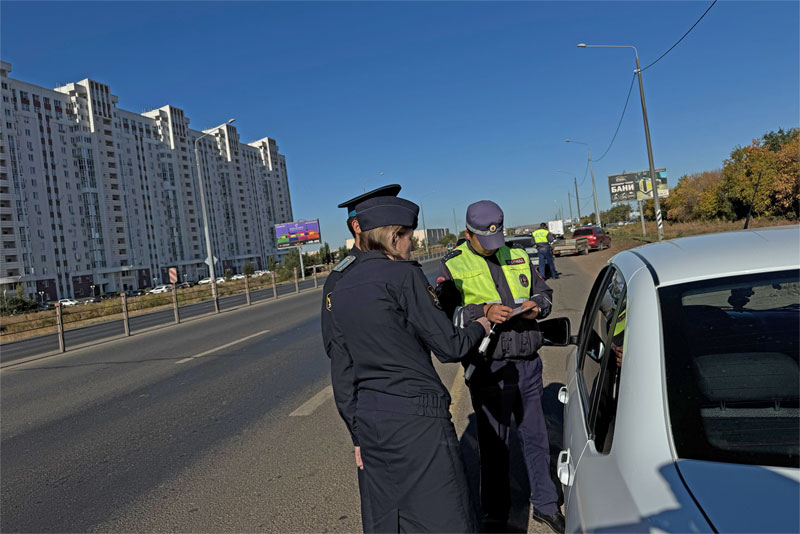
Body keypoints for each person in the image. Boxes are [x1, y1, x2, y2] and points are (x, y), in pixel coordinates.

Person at [329, 195, 491, 533]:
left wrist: (357, 434)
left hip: (372, 422)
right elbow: (449, 346)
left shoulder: (339, 289)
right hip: (419, 420)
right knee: (448, 517)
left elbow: (342, 369)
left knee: (392, 521)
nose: (413, 243)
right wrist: (483, 323)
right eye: (409, 235)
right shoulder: (404, 276)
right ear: (392, 236)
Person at [436, 201, 565, 534]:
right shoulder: (452, 266)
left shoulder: (516, 254)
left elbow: (544, 292)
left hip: (528, 365)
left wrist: (538, 306)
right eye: (485, 242)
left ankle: (547, 505)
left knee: (536, 438)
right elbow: (445, 318)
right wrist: (483, 310)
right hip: (488, 368)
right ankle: (496, 514)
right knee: (494, 447)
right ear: (468, 234)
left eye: (498, 239)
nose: (495, 248)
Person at [320, 184, 402, 531]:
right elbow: (340, 359)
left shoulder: (399, 268)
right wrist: (358, 432)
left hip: (415, 409)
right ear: (358, 227)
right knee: (384, 510)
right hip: (376, 418)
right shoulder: (342, 278)